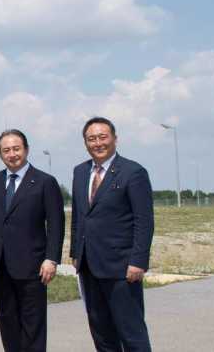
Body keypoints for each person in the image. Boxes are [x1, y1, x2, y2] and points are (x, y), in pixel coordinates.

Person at [70, 117, 153, 352]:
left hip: (122, 268)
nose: (98, 143)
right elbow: (79, 216)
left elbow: (144, 221)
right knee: (101, 332)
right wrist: (76, 252)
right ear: (85, 142)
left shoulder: (133, 172)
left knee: (131, 332)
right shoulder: (80, 171)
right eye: (91, 138)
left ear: (115, 139)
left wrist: (138, 261)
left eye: (102, 137)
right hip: (89, 267)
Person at [0, 129, 64, 352]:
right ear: (0, 154)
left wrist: (51, 259)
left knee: (32, 325)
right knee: (7, 323)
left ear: (26, 149)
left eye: (16, 149)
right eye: (6, 150)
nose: (12, 154)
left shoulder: (45, 182)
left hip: (32, 267)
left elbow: (55, 225)